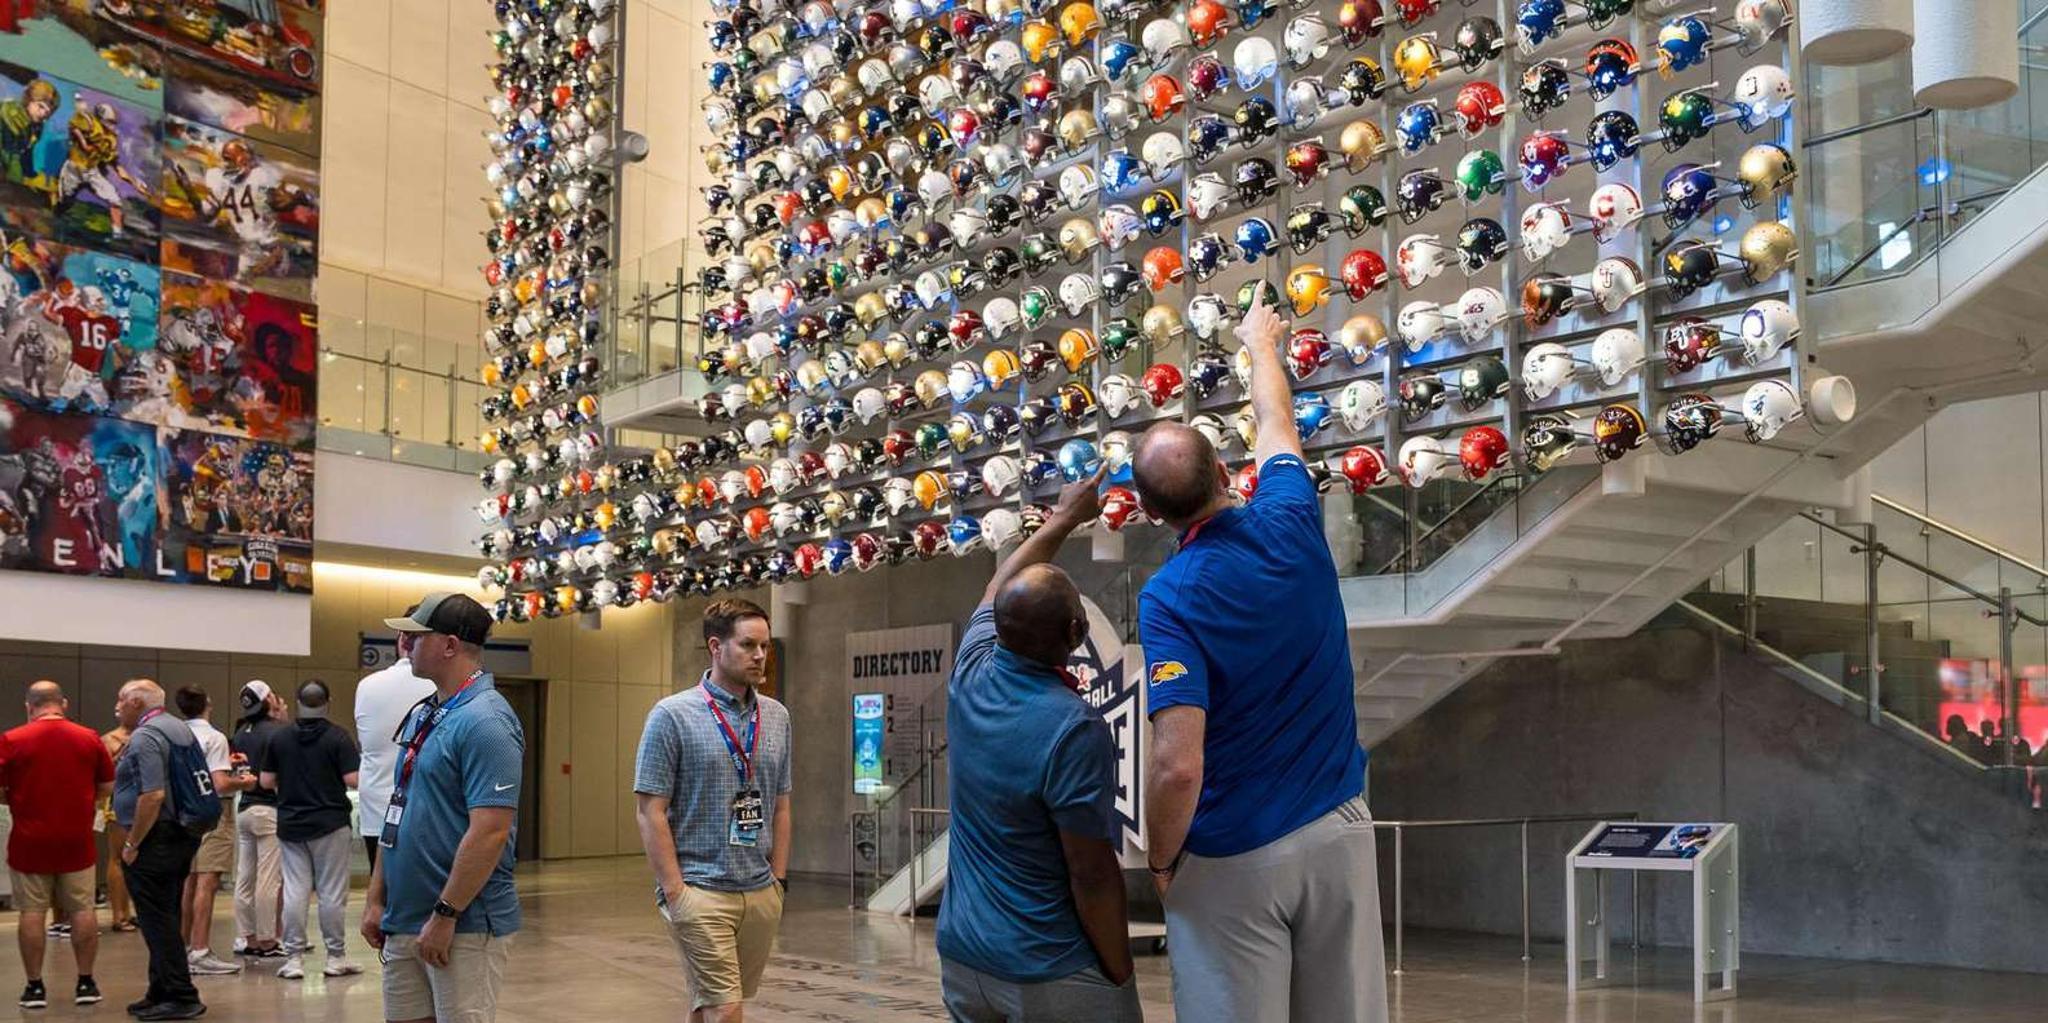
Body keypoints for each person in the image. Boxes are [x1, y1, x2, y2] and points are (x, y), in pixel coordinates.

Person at [1133, 287, 1387, 1023]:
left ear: (1149, 514)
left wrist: (1160, 860)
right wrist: (1259, 344)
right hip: (1340, 832)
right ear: (1224, 473)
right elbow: (1276, 419)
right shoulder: (1291, 516)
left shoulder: (1170, 596)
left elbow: (1178, 764)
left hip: (1235, 854)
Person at [936, 468, 1142, 1022]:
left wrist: (1065, 516)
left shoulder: (971, 668)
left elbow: (996, 586)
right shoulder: (1073, 727)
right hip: (1045, 965)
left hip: (962, 959)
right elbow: (1090, 871)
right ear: (1076, 635)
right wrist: (1120, 973)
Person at [362, 593, 524, 1023]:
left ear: (449, 645)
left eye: (417, 636)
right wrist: (377, 898)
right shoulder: (427, 714)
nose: (405, 643)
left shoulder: (487, 721)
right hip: (403, 917)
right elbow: (397, 808)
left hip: (461, 924)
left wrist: (446, 913)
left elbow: (490, 831)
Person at [634, 598, 793, 1023]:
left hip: (760, 890)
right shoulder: (672, 715)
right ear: (715, 647)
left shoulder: (776, 716)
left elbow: (781, 802)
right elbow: (650, 811)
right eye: (748, 645)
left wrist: (778, 881)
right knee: (726, 1008)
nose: (759, 655)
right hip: (700, 888)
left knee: (709, 1004)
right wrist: (676, 892)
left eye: (765, 646)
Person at [0, 681, 113, 1008]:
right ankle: (86, 982)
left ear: (29, 706)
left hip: (29, 841)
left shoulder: (12, 740)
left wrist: (19, 800)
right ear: (63, 703)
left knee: (32, 912)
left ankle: (34, 986)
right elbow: (107, 785)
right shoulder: (88, 738)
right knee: (82, 909)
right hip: (76, 841)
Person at [111, 678, 206, 1021]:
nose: (117, 707)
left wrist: (132, 843)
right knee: (166, 913)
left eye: (121, 700)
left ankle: (181, 994)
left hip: (156, 838)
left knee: (157, 920)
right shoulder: (177, 728)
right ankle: (161, 989)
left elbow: (152, 795)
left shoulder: (146, 736)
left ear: (137, 702)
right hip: (181, 833)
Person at [257, 679, 361, 981]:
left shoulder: (280, 737)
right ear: (327, 702)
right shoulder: (338, 737)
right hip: (331, 823)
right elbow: (353, 779)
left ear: (298, 702)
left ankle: (293, 959)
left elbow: (265, 781)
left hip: (291, 823)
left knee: (295, 891)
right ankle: (335, 957)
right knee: (331, 893)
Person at [173, 685, 248, 977]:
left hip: (184, 814)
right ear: (207, 703)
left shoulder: (177, 735)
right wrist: (244, 782)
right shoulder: (215, 738)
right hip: (213, 813)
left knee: (188, 881)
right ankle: (201, 949)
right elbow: (220, 783)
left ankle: (183, 947)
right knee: (208, 881)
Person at [354, 609, 435, 872]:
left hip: (377, 811)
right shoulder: (442, 688)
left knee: (382, 889)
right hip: (428, 815)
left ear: (401, 638)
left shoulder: (367, 686)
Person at [229, 681, 287, 958]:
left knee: (245, 877)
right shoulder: (277, 732)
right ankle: (267, 939)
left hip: (244, 808)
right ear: (266, 702)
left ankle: (247, 937)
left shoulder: (240, 732)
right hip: (269, 810)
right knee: (268, 878)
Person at [99, 717, 135, 934]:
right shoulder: (109, 740)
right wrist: (121, 753)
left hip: (140, 798)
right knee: (118, 857)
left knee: (134, 859)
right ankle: (118, 914)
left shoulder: (146, 734)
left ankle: (128, 910)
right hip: (118, 800)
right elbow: (104, 772)